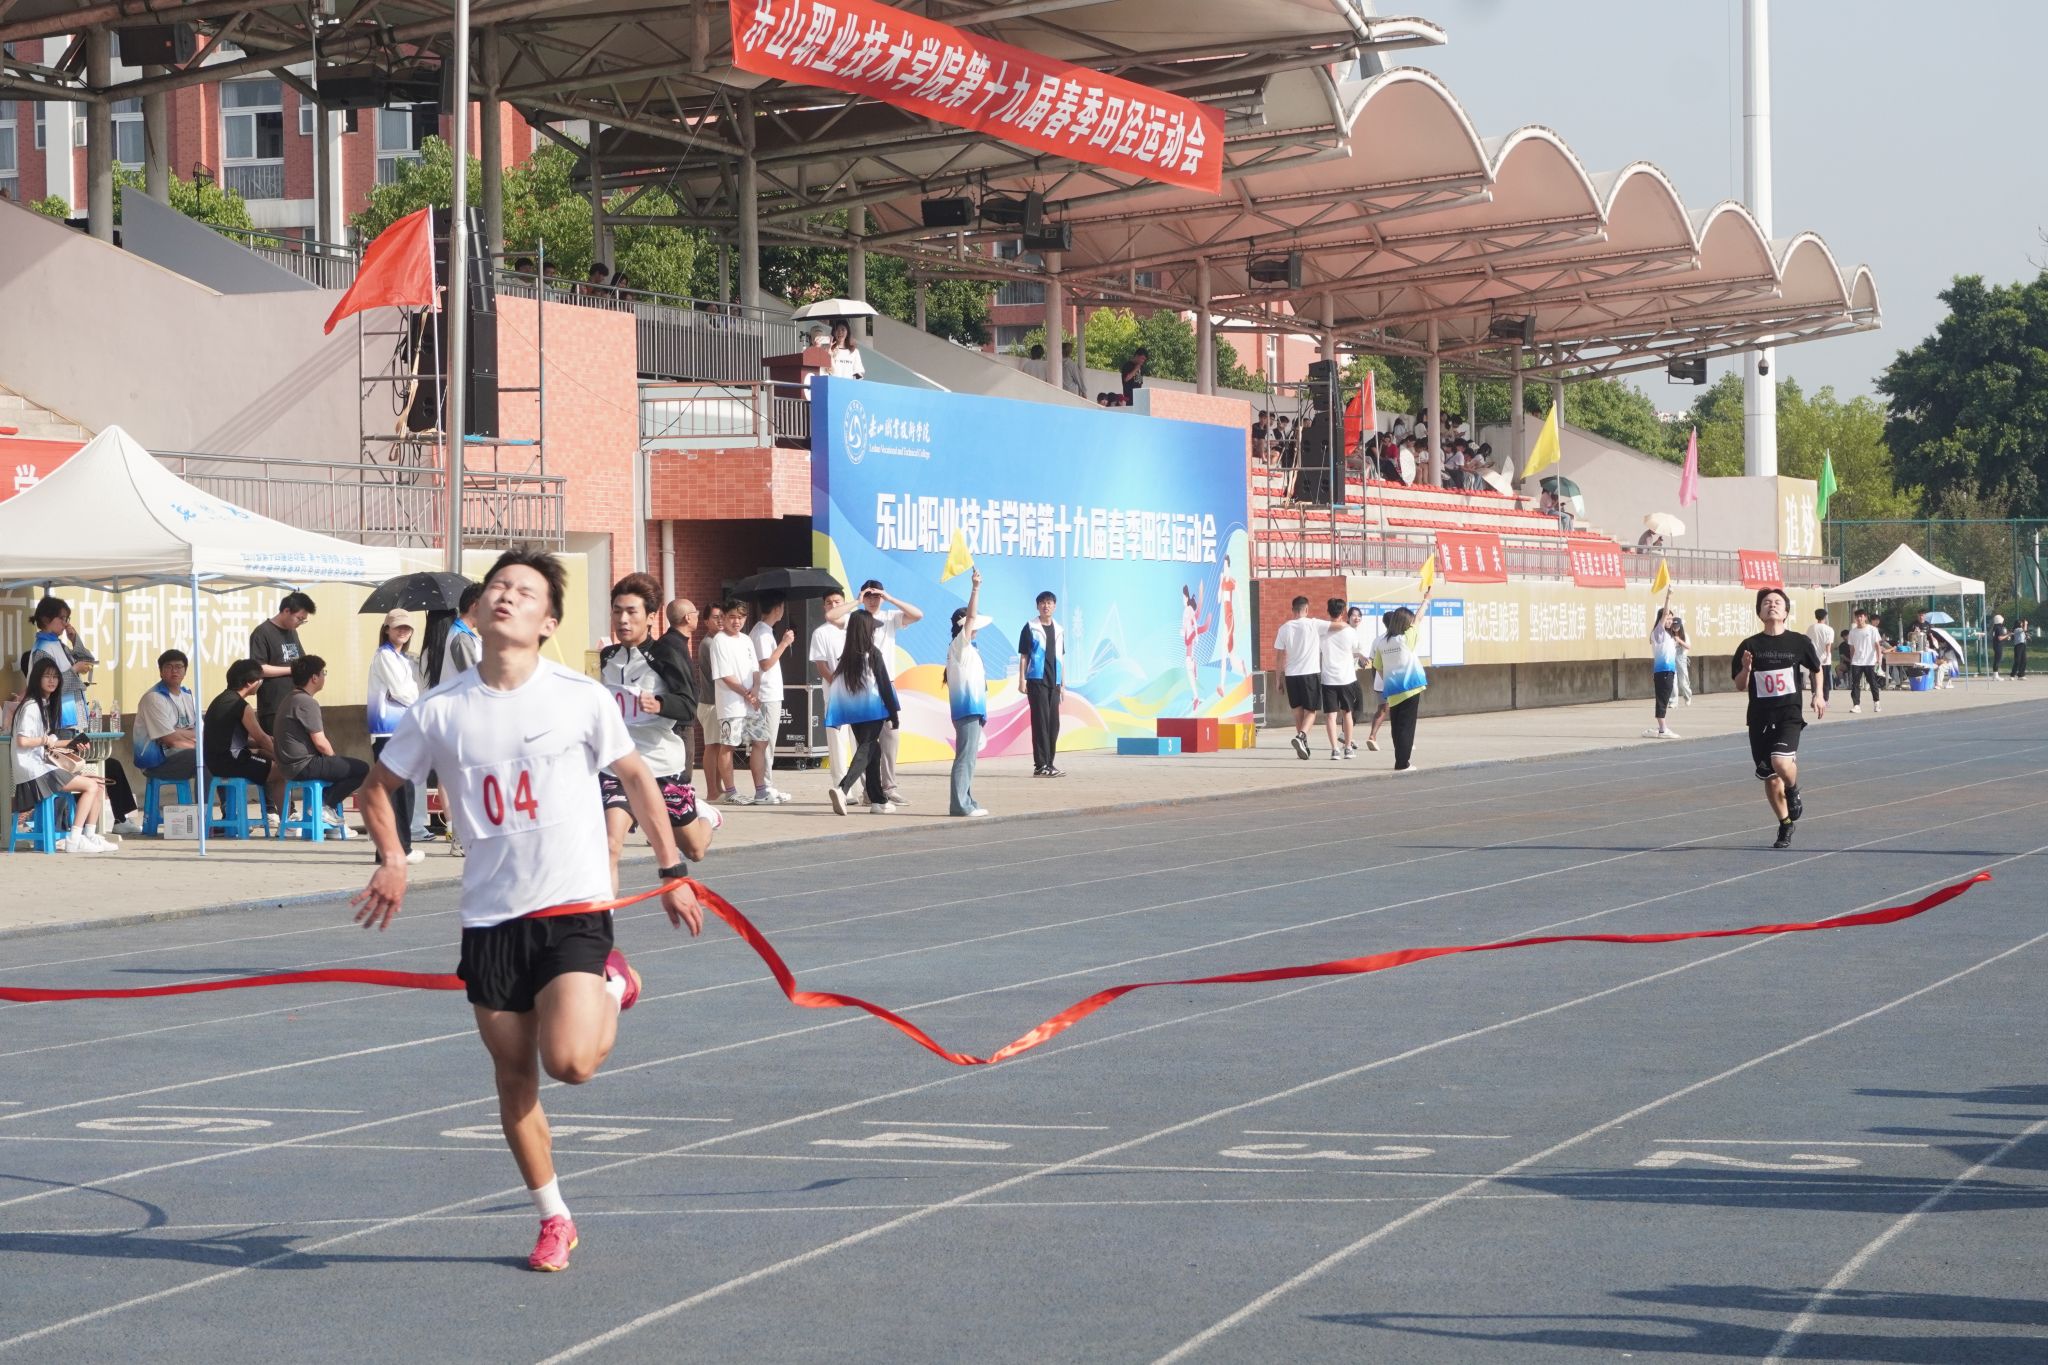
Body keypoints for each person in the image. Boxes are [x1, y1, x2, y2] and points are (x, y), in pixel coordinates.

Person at [350, 548, 704, 1275]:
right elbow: (376, 788)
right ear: (478, 609)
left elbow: (636, 776)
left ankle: (613, 982)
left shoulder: (579, 696)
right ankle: (554, 1218)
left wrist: (672, 870)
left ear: (548, 622)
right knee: (515, 1079)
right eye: (498, 587)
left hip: (572, 904)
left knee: (570, 1062)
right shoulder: (439, 709)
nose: (506, 596)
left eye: (525, 591)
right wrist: (392, 858)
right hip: (490, 919)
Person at [599, 575, 716, 890]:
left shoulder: (666, 654)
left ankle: (708, 815)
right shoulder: (607, 657)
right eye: (617, 611)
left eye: (631, 612)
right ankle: (601, 919)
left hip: (661, 764)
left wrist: (659, 704)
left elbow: (689, 706)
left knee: (695, 850)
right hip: (618, 765)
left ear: (651, 617)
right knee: (610, 845)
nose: (623, 620)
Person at [1731, 587, 1826, 849]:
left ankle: (1793, 790)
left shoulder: (1798, 642)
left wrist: (1818, 695)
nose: (1771, 605)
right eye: (1766, 602)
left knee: (1780, 761)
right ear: (1759, 612)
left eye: (1777, 602)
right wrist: (1746, 669)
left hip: (1789, 715)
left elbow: (1817, 669)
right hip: (1760, 718)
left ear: (1785, 611)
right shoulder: (1749, 646)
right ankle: (1785, 824)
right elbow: (1739, 685)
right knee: (1771, 779)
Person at [13, 658, 115, 853]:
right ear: (36, 679)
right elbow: (23, 741)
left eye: (55, 677)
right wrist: (47, 739)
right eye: (47, 676)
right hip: (34, 773)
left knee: (98, 784)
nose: (52, 681)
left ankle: (90, 835)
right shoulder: (31, 706)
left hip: (42, 768)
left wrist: (71, 743)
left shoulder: (43, 705)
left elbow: (44, 743)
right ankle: (74, 839)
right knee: (91, 786)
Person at [274, 655, 368, 837]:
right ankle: (324, 806)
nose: (324, 676)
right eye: (323, 673)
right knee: (361, 769)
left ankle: (332, 826)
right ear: (314, 678)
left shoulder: (290, 699)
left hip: (288, 766)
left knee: (339, 768)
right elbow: (320, 742)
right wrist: (335, 760)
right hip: (303, 765)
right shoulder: (307, 702)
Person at [825, 610, 901, 815]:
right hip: (873, 710)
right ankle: (843, 789)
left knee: (872, 751)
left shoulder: (847, 657)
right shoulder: (873, 653)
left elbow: (838, 684)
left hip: (853, 712)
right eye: (873, 628)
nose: (875, 631)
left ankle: (878, 800)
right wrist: (893, 714)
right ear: (867, 630)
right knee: (867, 748)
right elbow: (885, 685)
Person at [366, 610, 426, 863]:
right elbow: (404, 691)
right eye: (398, 627)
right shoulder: (385, 656)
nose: (403, 631)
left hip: (399, 730)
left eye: (407, 628)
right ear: (386, 629)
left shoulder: (399, 657)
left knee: (401, 792)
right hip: (387, 731)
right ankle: (397, 849)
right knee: (398, 793)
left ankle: (393, 849)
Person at [856, 579, 922, 802]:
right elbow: (832, 617)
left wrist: (890, 598)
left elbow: (917, 615)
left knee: (891, 737)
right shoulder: (856, 619)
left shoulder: (890, 617)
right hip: (863, 686)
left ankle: (889, 787)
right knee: (866, 741)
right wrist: (857, 600)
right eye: (868, 596)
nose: (873, 600)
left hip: (886, 684)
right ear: (862, 597)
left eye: (877, 596)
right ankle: (869, 791)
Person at [204, 658, 284, 824]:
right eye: (260, 680)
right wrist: (284, 757)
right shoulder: (241, 705)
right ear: (250, 683)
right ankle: (287, 821)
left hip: (214, 762)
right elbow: (261, 738)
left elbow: (232, 737)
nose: (261, 683)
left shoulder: (219, 700)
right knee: (281, 771)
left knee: (263, 753)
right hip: (231, 762)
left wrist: (265, 747)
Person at [1371, 588, 1434, 772]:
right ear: (1405, 623)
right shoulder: (1406, 639)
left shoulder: (1382, 643)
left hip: (1392, 690)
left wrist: (1390, 680)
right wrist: (1426, 600)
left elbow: (1378, 667)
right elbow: (1418, 618)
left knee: (1397, 726)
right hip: (1411, 688)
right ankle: (1402, 763)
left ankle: (1400, 759)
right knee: (1407, 726)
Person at [743, 594, 798, 805]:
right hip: (766, 695)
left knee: (768, 742)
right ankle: (764, 787)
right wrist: (784, 643)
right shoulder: (762, 633)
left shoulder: (763, 631)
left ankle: (767, 785)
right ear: (777, 608)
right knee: (765, 742)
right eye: (781, 607)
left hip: (770, 693)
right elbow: (765, 664)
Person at [946, 569, 991, 818]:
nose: (976, 627)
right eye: (972, 625)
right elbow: (971, 617)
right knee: (965, 757)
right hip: (966, 709)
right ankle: (959, 805)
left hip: (973, 710)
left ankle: (967, 800)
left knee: (969, 757)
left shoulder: (968, 649)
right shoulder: (959, 646)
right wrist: (975, 588)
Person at [706, 601, 759, 804]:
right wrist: (747, 693)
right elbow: (725, 675)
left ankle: (761, 789)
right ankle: (731, 792)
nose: (737, 621)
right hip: (730, 705)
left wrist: (755, 690)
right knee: (728, 745)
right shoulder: (719, 641)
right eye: (732, 617)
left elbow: (755, 668)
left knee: (761, 741)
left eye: (741, 617)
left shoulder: (746, 639)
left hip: (751, 703)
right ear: (724, 618)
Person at [250, 591, 315, 739]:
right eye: (299, 618)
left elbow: (301, 659)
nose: (300, 623)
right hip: (274, 705)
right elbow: (259, 668)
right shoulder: (262, 632)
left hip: (296, 702)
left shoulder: (292, 632)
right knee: (276, 746)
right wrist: (291, 670)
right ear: (286, 611)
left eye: (303, 620)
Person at [133, 649, 199, 785]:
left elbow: (201, 732)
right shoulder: (154, 698)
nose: (174, 671)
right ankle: (204, 800)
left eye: (179, 666)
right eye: (168, 667)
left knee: (215, 757)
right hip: (156, 762)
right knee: (202, 756)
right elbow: (171, 740)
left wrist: (177, 732)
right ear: (161, 672)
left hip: (181, 752)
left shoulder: (188, 696)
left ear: (185, 671)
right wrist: (197, 744)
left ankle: (220, 799)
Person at [27, 595, 92, 728]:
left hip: (71, 717)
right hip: (59, 719)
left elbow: (88, 660)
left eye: (67, 619)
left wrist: (74, 639)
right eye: (62, 618)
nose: (66, 623)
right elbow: (46, 687)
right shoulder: (42, 649)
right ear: (46, 619)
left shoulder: (58, 644)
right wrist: (75, 669)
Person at [1020, 589, 1066, 777]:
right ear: (1037, 606)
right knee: (1040, 723)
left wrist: (1063, 684)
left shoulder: (1059, 629)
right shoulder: (1030, 627)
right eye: (1042, 603)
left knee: (1053, 725)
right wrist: (1022, 679)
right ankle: (1040, 766)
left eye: (1049, 602)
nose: (1046, 606)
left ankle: (1050, 763)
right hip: (1036, 681)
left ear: (1054, 606)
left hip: (1054, 683)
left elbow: (1061, 658)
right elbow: (1024, 655)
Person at [1273, 594, 1325, 759]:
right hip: (1310, 674)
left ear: (1292, 609)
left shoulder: (1284, 628)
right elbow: (1336, 626)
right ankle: (1301, 737)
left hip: (1291, 675)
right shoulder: (1314, 624)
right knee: (1311, 711)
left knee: (1298, 712)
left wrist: (1278, 680)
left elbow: (1279, 657)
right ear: (1307, 609)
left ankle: (1303, 746)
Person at [809, 587, 852, 784]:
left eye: (837, 602)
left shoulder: (855, 625)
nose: (833, 605)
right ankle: (841, 787)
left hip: (860, 696)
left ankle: (866, 788)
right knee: (837, 742)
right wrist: (839, 684)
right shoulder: (821, 633)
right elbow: (821, 665)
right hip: (835, 695)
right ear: (824, 607)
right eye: (829, 603)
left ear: (845, 603)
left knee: (861, 742)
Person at [694, 603, 731, 800]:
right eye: (715, 617)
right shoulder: (708, 644)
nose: (720, 620)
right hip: (710, 703)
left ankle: (719, 788)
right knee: (713, 746)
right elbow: (719, 675)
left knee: (719, 746)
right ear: (706, 621)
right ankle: (712, 791)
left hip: (718, 702)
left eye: (722, 616)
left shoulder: (720, 642)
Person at [1317, 597, 1361, 760]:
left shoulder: (1321, 631)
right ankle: (1348, 747)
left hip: (1328, 679)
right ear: (1343, 612)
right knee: (1347, 713)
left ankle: (1335, 749)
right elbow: (1355, 648)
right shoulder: (1350, 631)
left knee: (1330, 716)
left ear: (1328, 611)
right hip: (1347, 678)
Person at [1644, 590, 1680, 739]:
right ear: (1661, 619)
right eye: (1668, 618)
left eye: (1672, 619)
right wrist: (1668, 597)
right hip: (1663, 671)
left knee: (1664, 698)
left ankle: (1661, 727)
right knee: (1662, 699)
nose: (1670, 621)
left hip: (1668, 671)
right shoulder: (1658, 632)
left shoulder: (1669, 635)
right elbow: (1664, 613)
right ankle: (1663, 729)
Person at [1843, 607, 1884, 713]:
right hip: (1857, 661)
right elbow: (1852, 648)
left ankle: (1877, 703)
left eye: (1861, 616)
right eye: (1857, 617)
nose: (1859, 619)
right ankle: (1856, 705)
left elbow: (1877, 645)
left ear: (1865, 617)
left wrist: (1879, 659)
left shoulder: (1872, 630)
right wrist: (1852, 660)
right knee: (1855, 684)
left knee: (1872, 683)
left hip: (1870, 661)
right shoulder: (1852, 632)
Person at [1180, 583, 1211, 702]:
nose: (1182, 599)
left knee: (1188, 662)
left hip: (1190, 637)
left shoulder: (1188, 609)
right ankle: (1196, 696)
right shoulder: (1186, 611)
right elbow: (1187, 624)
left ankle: (1196, 697)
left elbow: (1194, 619)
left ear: (1186, 597)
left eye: (1183, 597)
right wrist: (1183, 631)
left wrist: (1196, 635)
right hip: (1188, 637)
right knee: (1189, 661)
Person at [1806, 607, 1836, 706]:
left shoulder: (1810, 628)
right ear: (1825, 617)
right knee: (1825, 680)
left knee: (1813, 679)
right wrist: (1827, 655)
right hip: (1824, 660)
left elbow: (1808, 643)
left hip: (1813, 659)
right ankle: (1825, 700)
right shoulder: (1829, 629)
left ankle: (1814, 696)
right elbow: (1828, 644)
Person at [1669, 617, 1694, 706]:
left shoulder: (1684, 635)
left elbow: (1688, 647)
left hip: (1681, 659)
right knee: (1673, 681)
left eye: (1677, 626)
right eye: (1674, 626)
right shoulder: (1669, 635)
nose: (1675, 627)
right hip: (1671, 659)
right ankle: (1673, 702)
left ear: (1680, 626)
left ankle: (1688, 696)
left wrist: (1679, 640)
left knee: (1683, 682)